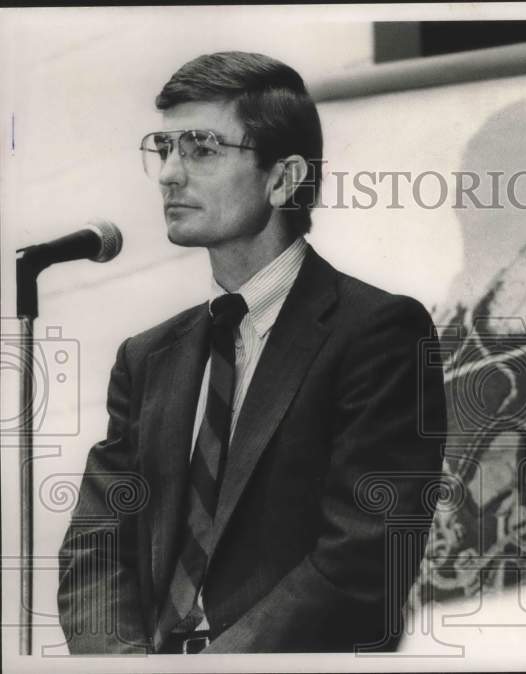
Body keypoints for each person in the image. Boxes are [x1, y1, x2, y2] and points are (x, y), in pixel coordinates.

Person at [56, 51, 447, 654]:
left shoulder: (377, 333)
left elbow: (365, 555)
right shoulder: (147, 356)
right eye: (165, 149)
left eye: (202, 148)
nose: (169, 174)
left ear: (283, 177)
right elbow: (97, 546)